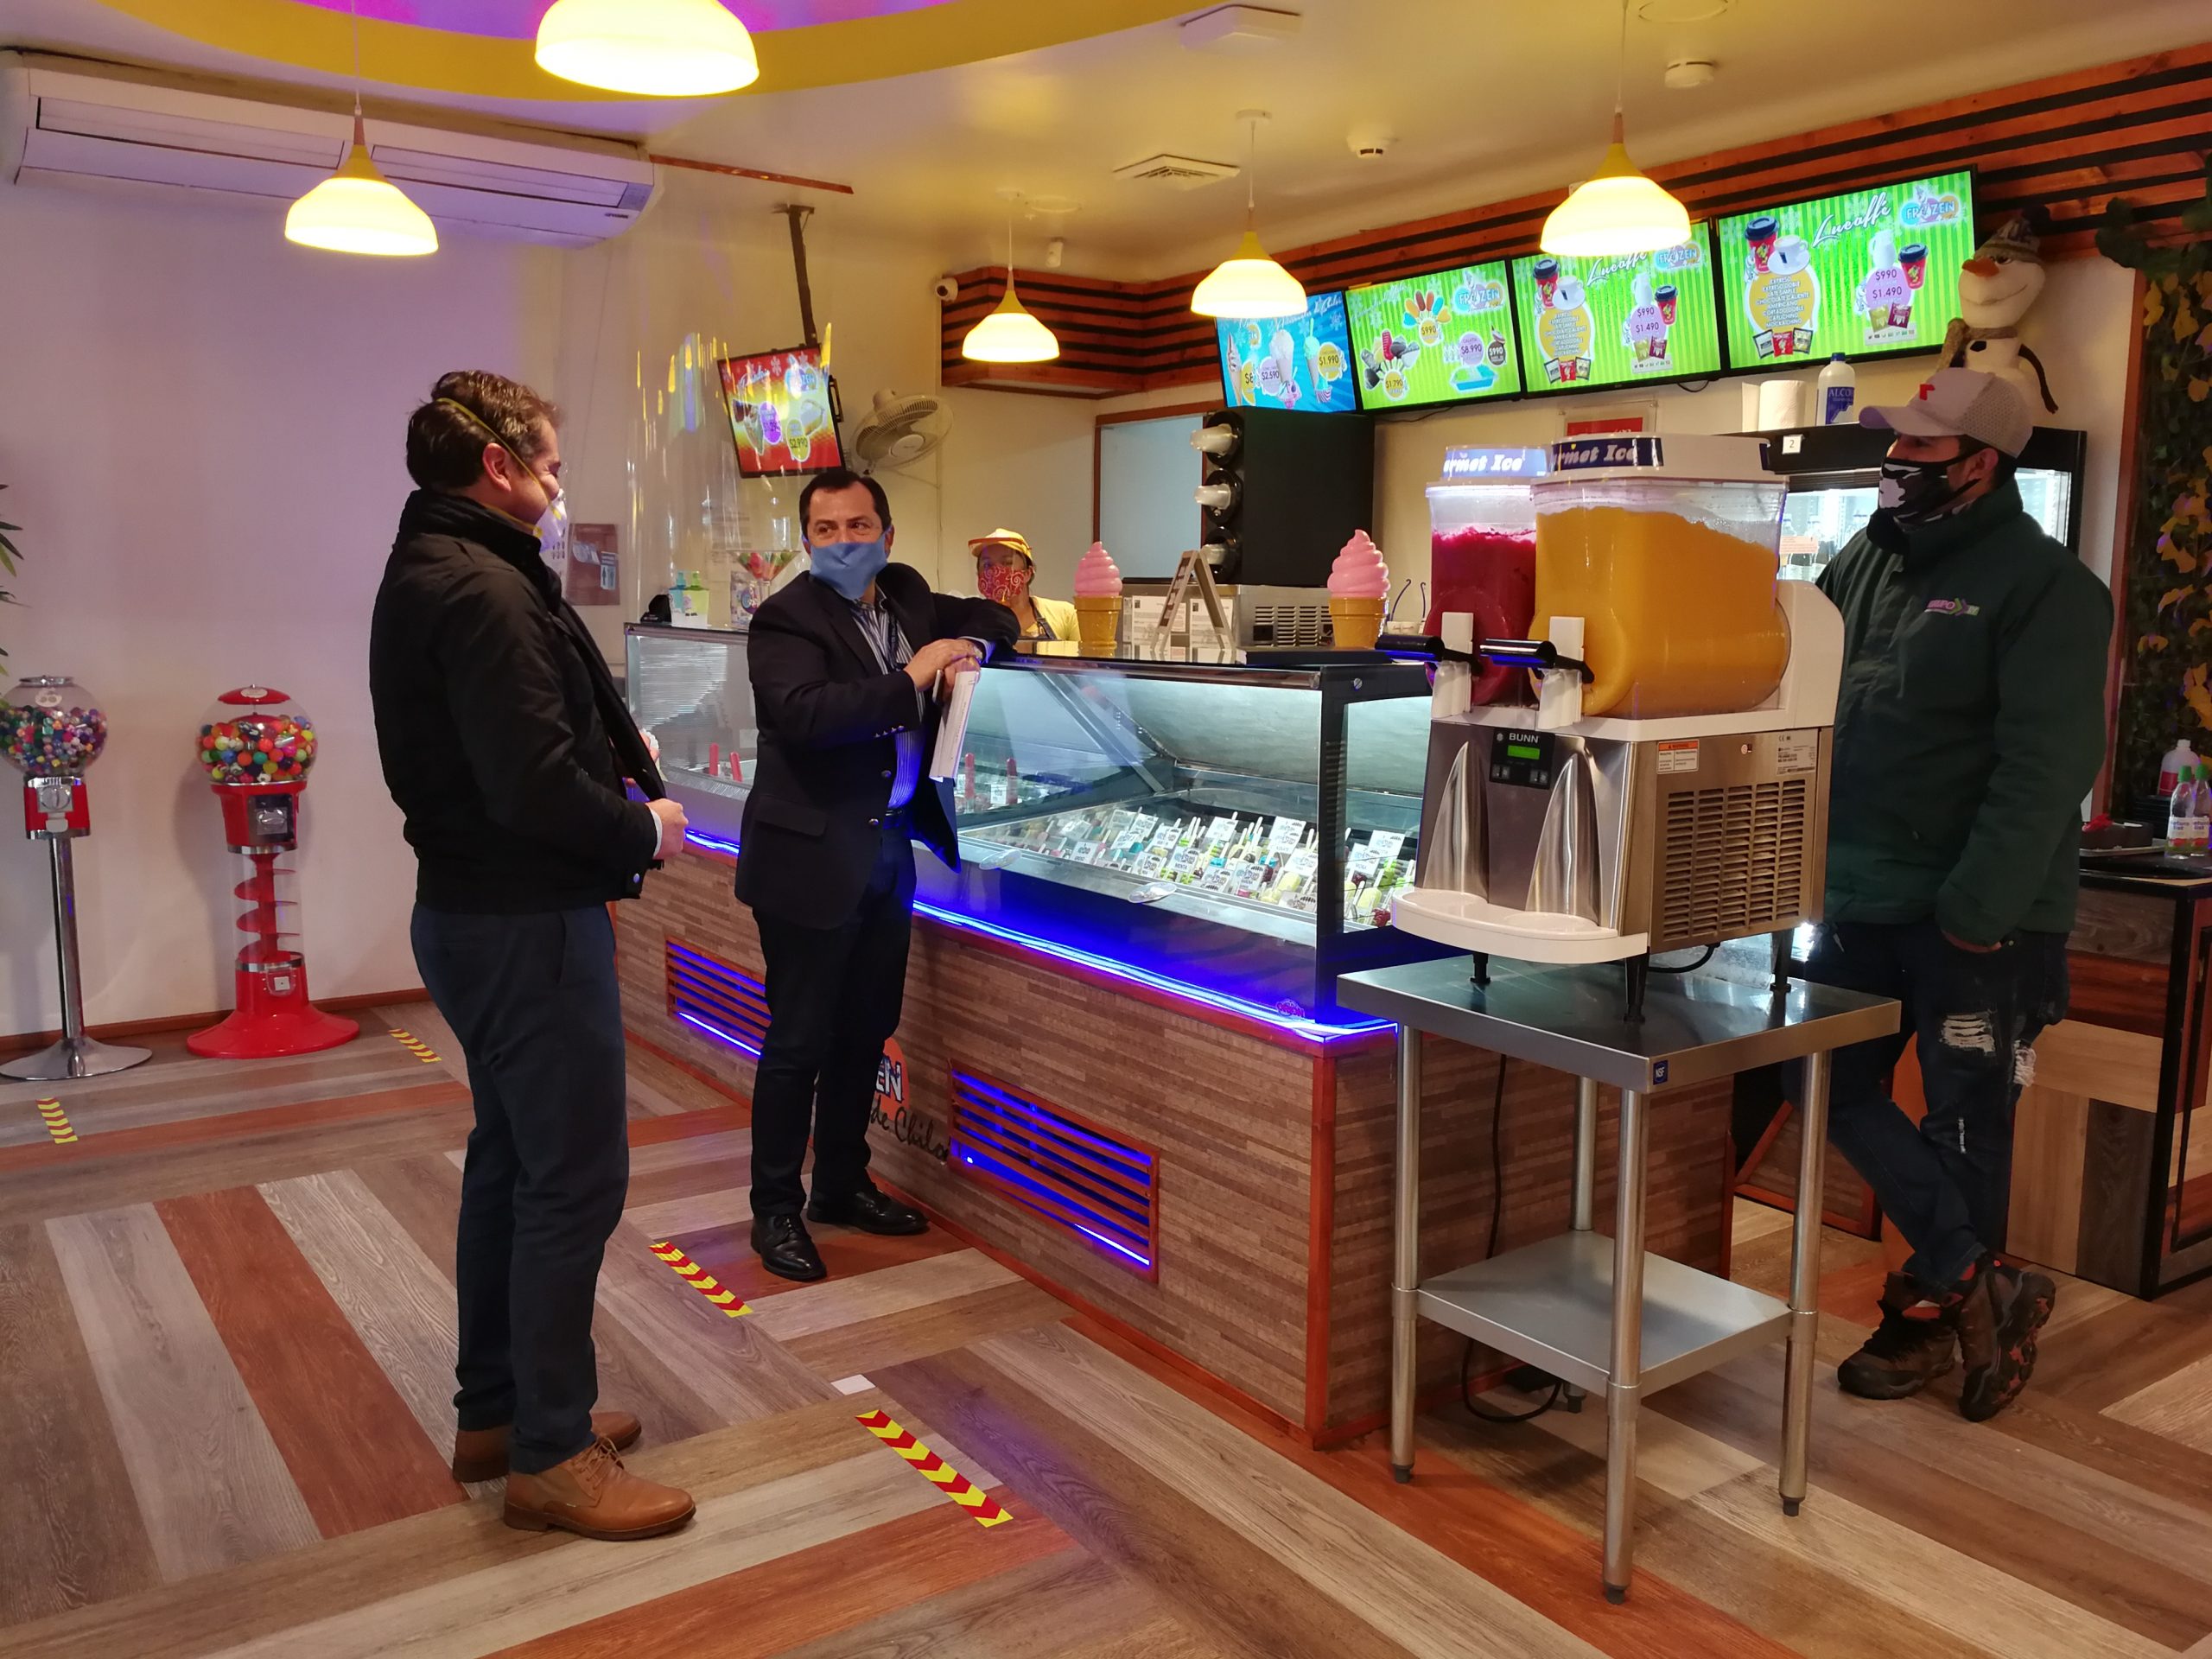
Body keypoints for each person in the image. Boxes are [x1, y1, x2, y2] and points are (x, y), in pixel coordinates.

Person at [369, 371, 696, 1540]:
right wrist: (642, 828)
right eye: (551, 466)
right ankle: (552, 1456)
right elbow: (534, 789)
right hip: (524, 923)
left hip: (472, 914)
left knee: (513, 1164)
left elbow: (502, 756)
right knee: (573, 1180)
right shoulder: (485, 589)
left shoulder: (433, 567)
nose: (560, 486)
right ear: (499, 467)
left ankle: (500, 1414)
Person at [1802, 367, 2110, 1421]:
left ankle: (1930, 1317)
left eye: (1922, 447)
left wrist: (1980, 911)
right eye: (1896, 443)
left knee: (1966, 1126)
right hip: (1857, 896)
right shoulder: (1862, 561)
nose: (1896, 461)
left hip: (1977, 915)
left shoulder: (2047, 587)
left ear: (1982, 463)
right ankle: (1980, 1274)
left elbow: (2045, 767)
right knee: (1822, 1082)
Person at [737, 467, 1018, 1281]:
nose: (844, 543)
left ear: (887, 535)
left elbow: (995, 615)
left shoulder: (907, 594)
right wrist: (913, 677)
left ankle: (842, 1183)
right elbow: (807, 716)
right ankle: (775, 1209)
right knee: (798, 1040)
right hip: (808, 860)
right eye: (826, 530)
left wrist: (972, 648)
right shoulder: (785, 618)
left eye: (859, 526)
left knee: (866, 1028)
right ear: (807, 541)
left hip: (890, 849)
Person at [970, 528, 1078, 645]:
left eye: (1007, 563)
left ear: (1027, 573)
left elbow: (1085, 655)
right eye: (987, 565)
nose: (996, 571)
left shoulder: (1066, 615)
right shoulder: (971, 622)